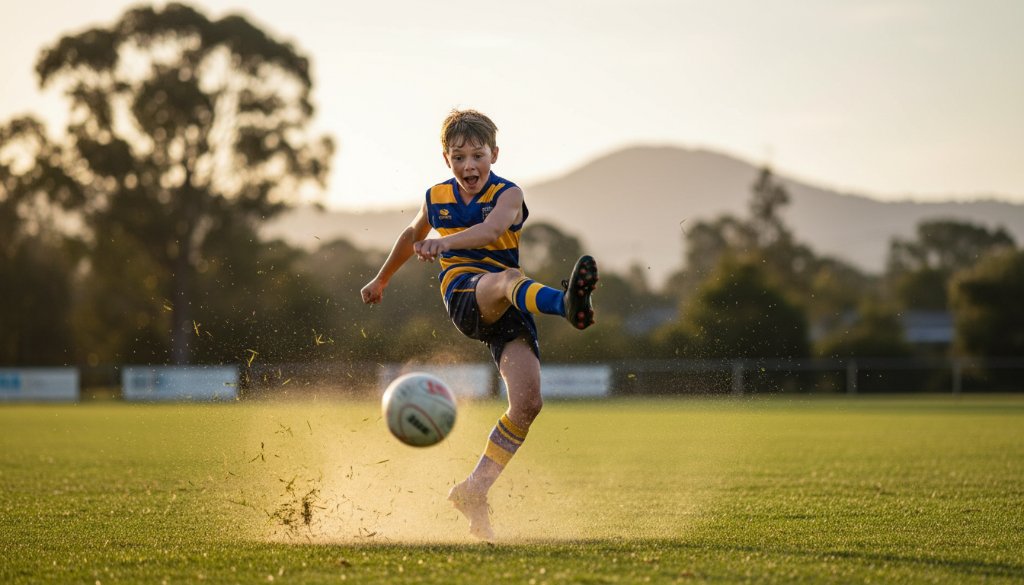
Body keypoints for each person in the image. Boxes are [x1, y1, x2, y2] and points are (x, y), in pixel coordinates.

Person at [360, 109, 598, 540]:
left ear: (495, 154)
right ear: (446, 159)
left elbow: (491, 232)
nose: (469, 165)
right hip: (465, 293)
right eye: (459, 157)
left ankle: (474, 490)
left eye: (478, 155)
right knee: (508, 280)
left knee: (528, 404)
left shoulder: (509, 195)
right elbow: (409, 236)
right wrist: (382, 278)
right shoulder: (436, 197)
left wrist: (443, 241)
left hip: (509, 304)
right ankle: (565, 304)